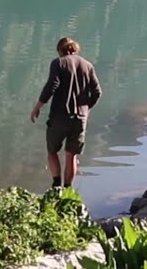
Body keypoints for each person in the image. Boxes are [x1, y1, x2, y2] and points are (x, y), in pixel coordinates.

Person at [30, 37, 101, 190]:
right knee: (71, 156)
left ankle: (56, 185)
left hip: (60, 116)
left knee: (52, 150)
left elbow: (52, 85)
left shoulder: (58, 63)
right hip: (80, 118)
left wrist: (38, 106)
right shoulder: (88, 65)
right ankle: (68, 189)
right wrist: (86, 109)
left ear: (61, 51)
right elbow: (97, 92)